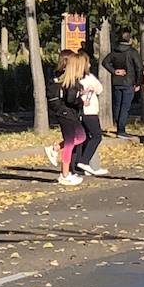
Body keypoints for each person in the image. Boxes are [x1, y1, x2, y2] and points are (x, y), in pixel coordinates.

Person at [42, 50, 87, 186]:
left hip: (68, 112)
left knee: (81, 137)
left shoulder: (72, 80)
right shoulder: (71, 81)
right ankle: (64, 174)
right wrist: (81, 100)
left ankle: (55, 148)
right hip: (66, 113)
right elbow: (71, 98)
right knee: (69, 143)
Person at [104, 31, 143, 137]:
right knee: (125, 106)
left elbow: (105, 62)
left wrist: (114, 71)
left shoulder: (115, 51)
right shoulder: (132, 52)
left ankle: (118, 126)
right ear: (130, 40)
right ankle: (121, 129)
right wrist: (138, 82)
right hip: (129, 81)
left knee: (117, 105)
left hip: (117, 81)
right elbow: (139, 67)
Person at [74, 62, 109, 176]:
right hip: (89, 110)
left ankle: (81, 164)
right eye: (88, 63)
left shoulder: (75, 78)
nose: (90, 64)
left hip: (83, 110)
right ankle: (84, 161)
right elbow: (99, 89)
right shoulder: (88, 77)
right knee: (96, 136)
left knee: (84, 137)